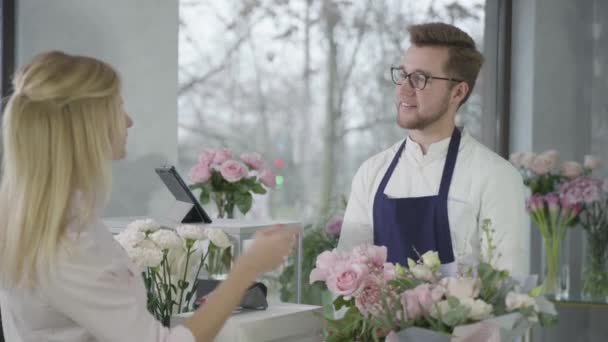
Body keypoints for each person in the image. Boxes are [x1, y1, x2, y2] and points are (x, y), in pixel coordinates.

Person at [0, 51, 297, 342]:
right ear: (88, 124)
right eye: (118, 108)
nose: (128, 121)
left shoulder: (52, 221)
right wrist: (248, 268)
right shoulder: (67, 245)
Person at [337, 23, 528, 276]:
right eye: (403, 74)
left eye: (419, 78)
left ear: (457, 92)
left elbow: (509, 290)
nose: (404, 89)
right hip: (377, 318)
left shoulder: (497, 177)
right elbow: (347, 276)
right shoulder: (371, 172)